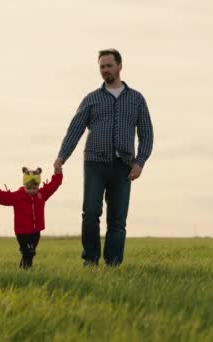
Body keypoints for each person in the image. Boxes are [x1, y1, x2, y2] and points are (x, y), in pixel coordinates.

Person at [54, 49, 154, 267]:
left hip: (124, 166)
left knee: (117, 219)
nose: (105, 70)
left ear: (119, 66)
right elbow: (75, 129)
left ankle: (113, 264)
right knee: (90, 213)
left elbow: (146, 134)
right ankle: (90, 260)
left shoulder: (136, 99)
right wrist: (62, 156)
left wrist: (140, 162)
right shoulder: (92, 99)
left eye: (109, 65)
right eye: (102, 66)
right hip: (95, 163)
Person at [0, 166, 63, 269]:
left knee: (30, 253)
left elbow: (53, 185)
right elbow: (3, 198)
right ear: (24, 185)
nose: (32, 191)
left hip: (36, 231)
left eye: (35, 188)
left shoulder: (41, 194)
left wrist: (58, 174)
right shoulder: (18, 196)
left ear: (38, 186)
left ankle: (24, 271)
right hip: (22, 232)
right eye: (29, 188)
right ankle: (26, 271)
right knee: (28, 251)